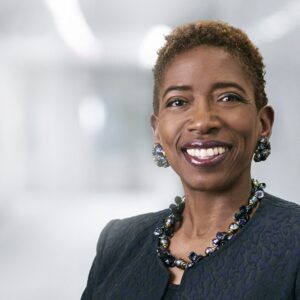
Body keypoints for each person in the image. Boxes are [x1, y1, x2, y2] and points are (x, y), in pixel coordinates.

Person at [81, 20, 300, 299]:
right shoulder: (119, 241)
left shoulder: (293, 242)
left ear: (263, 123)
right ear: (157, 131)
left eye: (227, 97)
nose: (202, 121)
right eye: (178, 102)